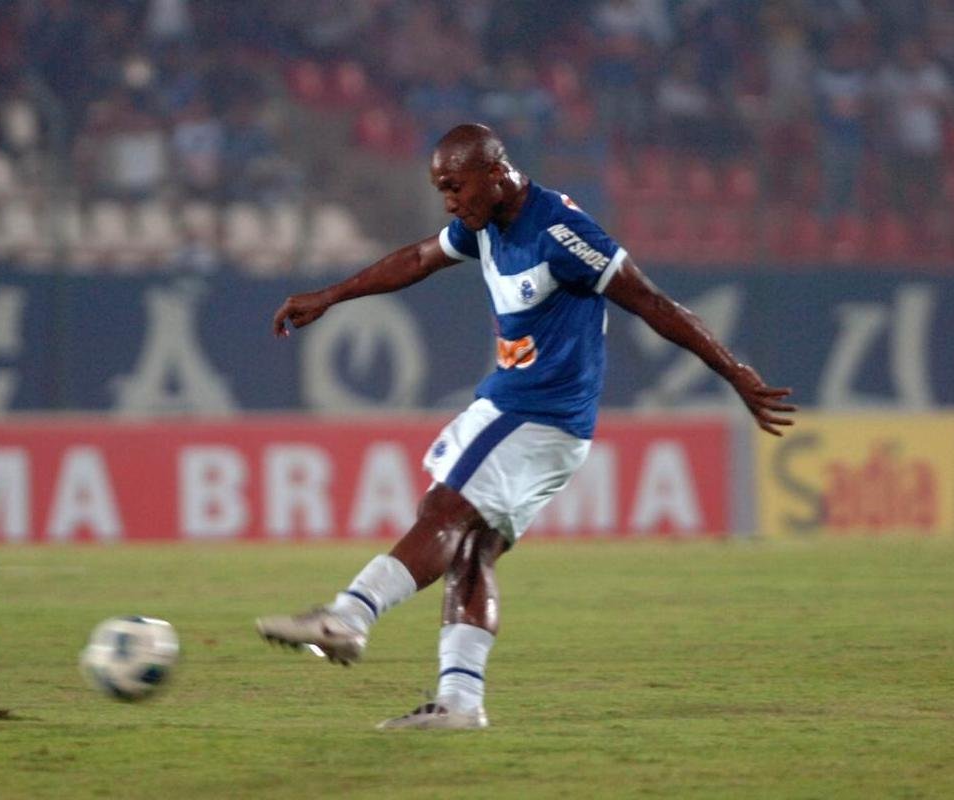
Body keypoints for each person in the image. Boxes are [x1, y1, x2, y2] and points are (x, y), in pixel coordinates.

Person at [257, 123, 795, 730]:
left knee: (442, 512)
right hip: (528, 415)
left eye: (455, 187)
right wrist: (331, 295)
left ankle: (348, 617)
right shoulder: (482, 223)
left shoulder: (561, 232)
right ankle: (461, 702)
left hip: (537, 414)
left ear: (495, 174)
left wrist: (734, 371)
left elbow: (653, 303)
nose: (450, 202)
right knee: (472, 549)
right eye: (442, 189)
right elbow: (417, 259)